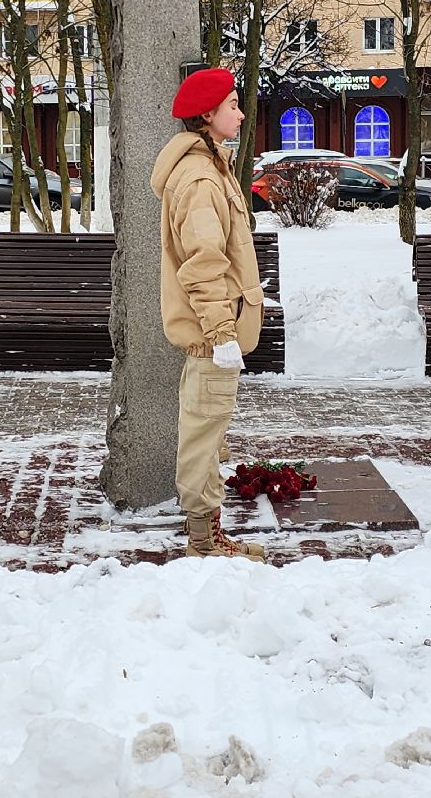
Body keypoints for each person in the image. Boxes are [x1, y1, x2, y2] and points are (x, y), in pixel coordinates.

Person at [150, 66, 265, 561]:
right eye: (233, 106)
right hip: (208, 336)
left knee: (209, 430)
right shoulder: (200, 177)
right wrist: (222, 331)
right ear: (207, 115)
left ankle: (206, 536)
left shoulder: (212, 165)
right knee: (203, 431)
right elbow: (202, 264)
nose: (240, 114)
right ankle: (204, 542)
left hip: (213, 331)